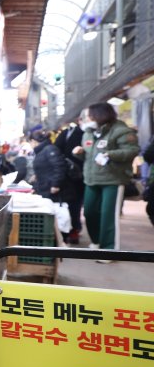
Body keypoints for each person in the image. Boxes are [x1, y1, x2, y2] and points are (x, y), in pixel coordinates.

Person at [73, 102, 139, 258]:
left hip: (113, 180)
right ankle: (96, 242)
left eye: (90, 115)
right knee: (89, 212)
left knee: (108, 215)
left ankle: (108, 251)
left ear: (100, 115)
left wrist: (110, 154)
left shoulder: (121, 131)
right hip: (91, 179)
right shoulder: (88, 132)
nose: (87, 119)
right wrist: (80, 152)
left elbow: (132, 151)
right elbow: (89, 156)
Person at [54, 118, 85, 244]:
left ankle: (69, 231)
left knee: (69, 203)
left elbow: (57, 150)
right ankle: (74, 230)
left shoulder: (67, 133)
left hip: (68, 175)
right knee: (75, 204)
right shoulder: (85, 133)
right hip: (79, 175)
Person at [29, 129, 66, 200]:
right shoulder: (41, 151)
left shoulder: (50, 149)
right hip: (45, 188)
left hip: (52, 190)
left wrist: (55, 185)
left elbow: (59, 166)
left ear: (33, 141)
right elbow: (45, 168)